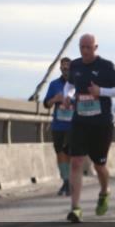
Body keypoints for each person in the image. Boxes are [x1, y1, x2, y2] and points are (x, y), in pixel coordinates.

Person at [61, 34, 115, 223]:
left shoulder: (107, 66)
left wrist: (101, 91)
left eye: (89, 47)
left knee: (99, 165)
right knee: (76, 162)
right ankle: (75, 208)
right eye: (82, 47)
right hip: (80, 121)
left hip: (101, 123)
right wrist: (67, 95)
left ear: (96, 47)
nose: (85, 51)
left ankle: (105, 191)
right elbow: (70, 85)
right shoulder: (76, 65)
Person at [42, 57, 73, 195]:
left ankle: (70, 182)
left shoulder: (77, 84)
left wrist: (71, 101)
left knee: (69, 153)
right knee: (60, 153)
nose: (65, 70)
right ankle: (66, 181)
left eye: (68, 68)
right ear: (60, 69)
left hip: (73, 126)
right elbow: (46, 104)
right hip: (58, 125)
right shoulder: (54, 84)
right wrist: (55, 99)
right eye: (63, 68)